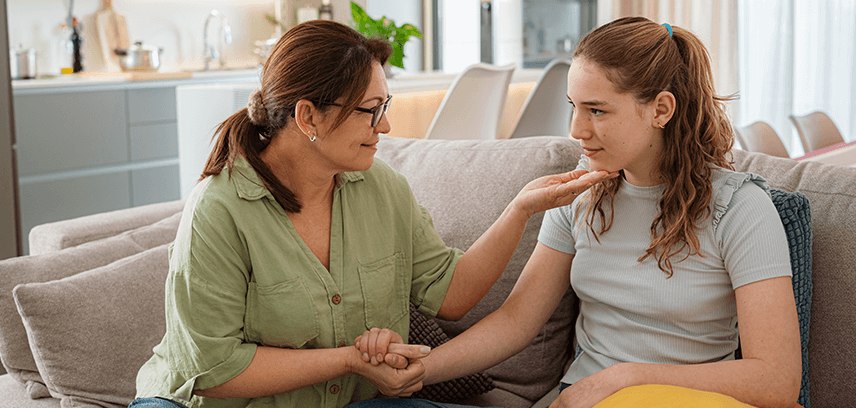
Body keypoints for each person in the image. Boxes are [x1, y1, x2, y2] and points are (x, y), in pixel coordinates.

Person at [128, 20, 614, 408]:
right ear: (307, 117)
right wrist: (350, 360)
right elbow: (213, 369)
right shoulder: (220, 210)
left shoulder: (380, 187)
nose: (385, 125)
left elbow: (451, 295)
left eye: (386, 105)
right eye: (370, 109)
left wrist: (520, 208)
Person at [353, 17, 801, 408]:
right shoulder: (580, 194)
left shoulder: (741, 208)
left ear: (661, 109)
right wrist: (421, 368)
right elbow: (515, 322)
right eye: (573, 107)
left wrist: (623, 377)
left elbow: (777, 379)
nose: (576, 130)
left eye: (597, 110)